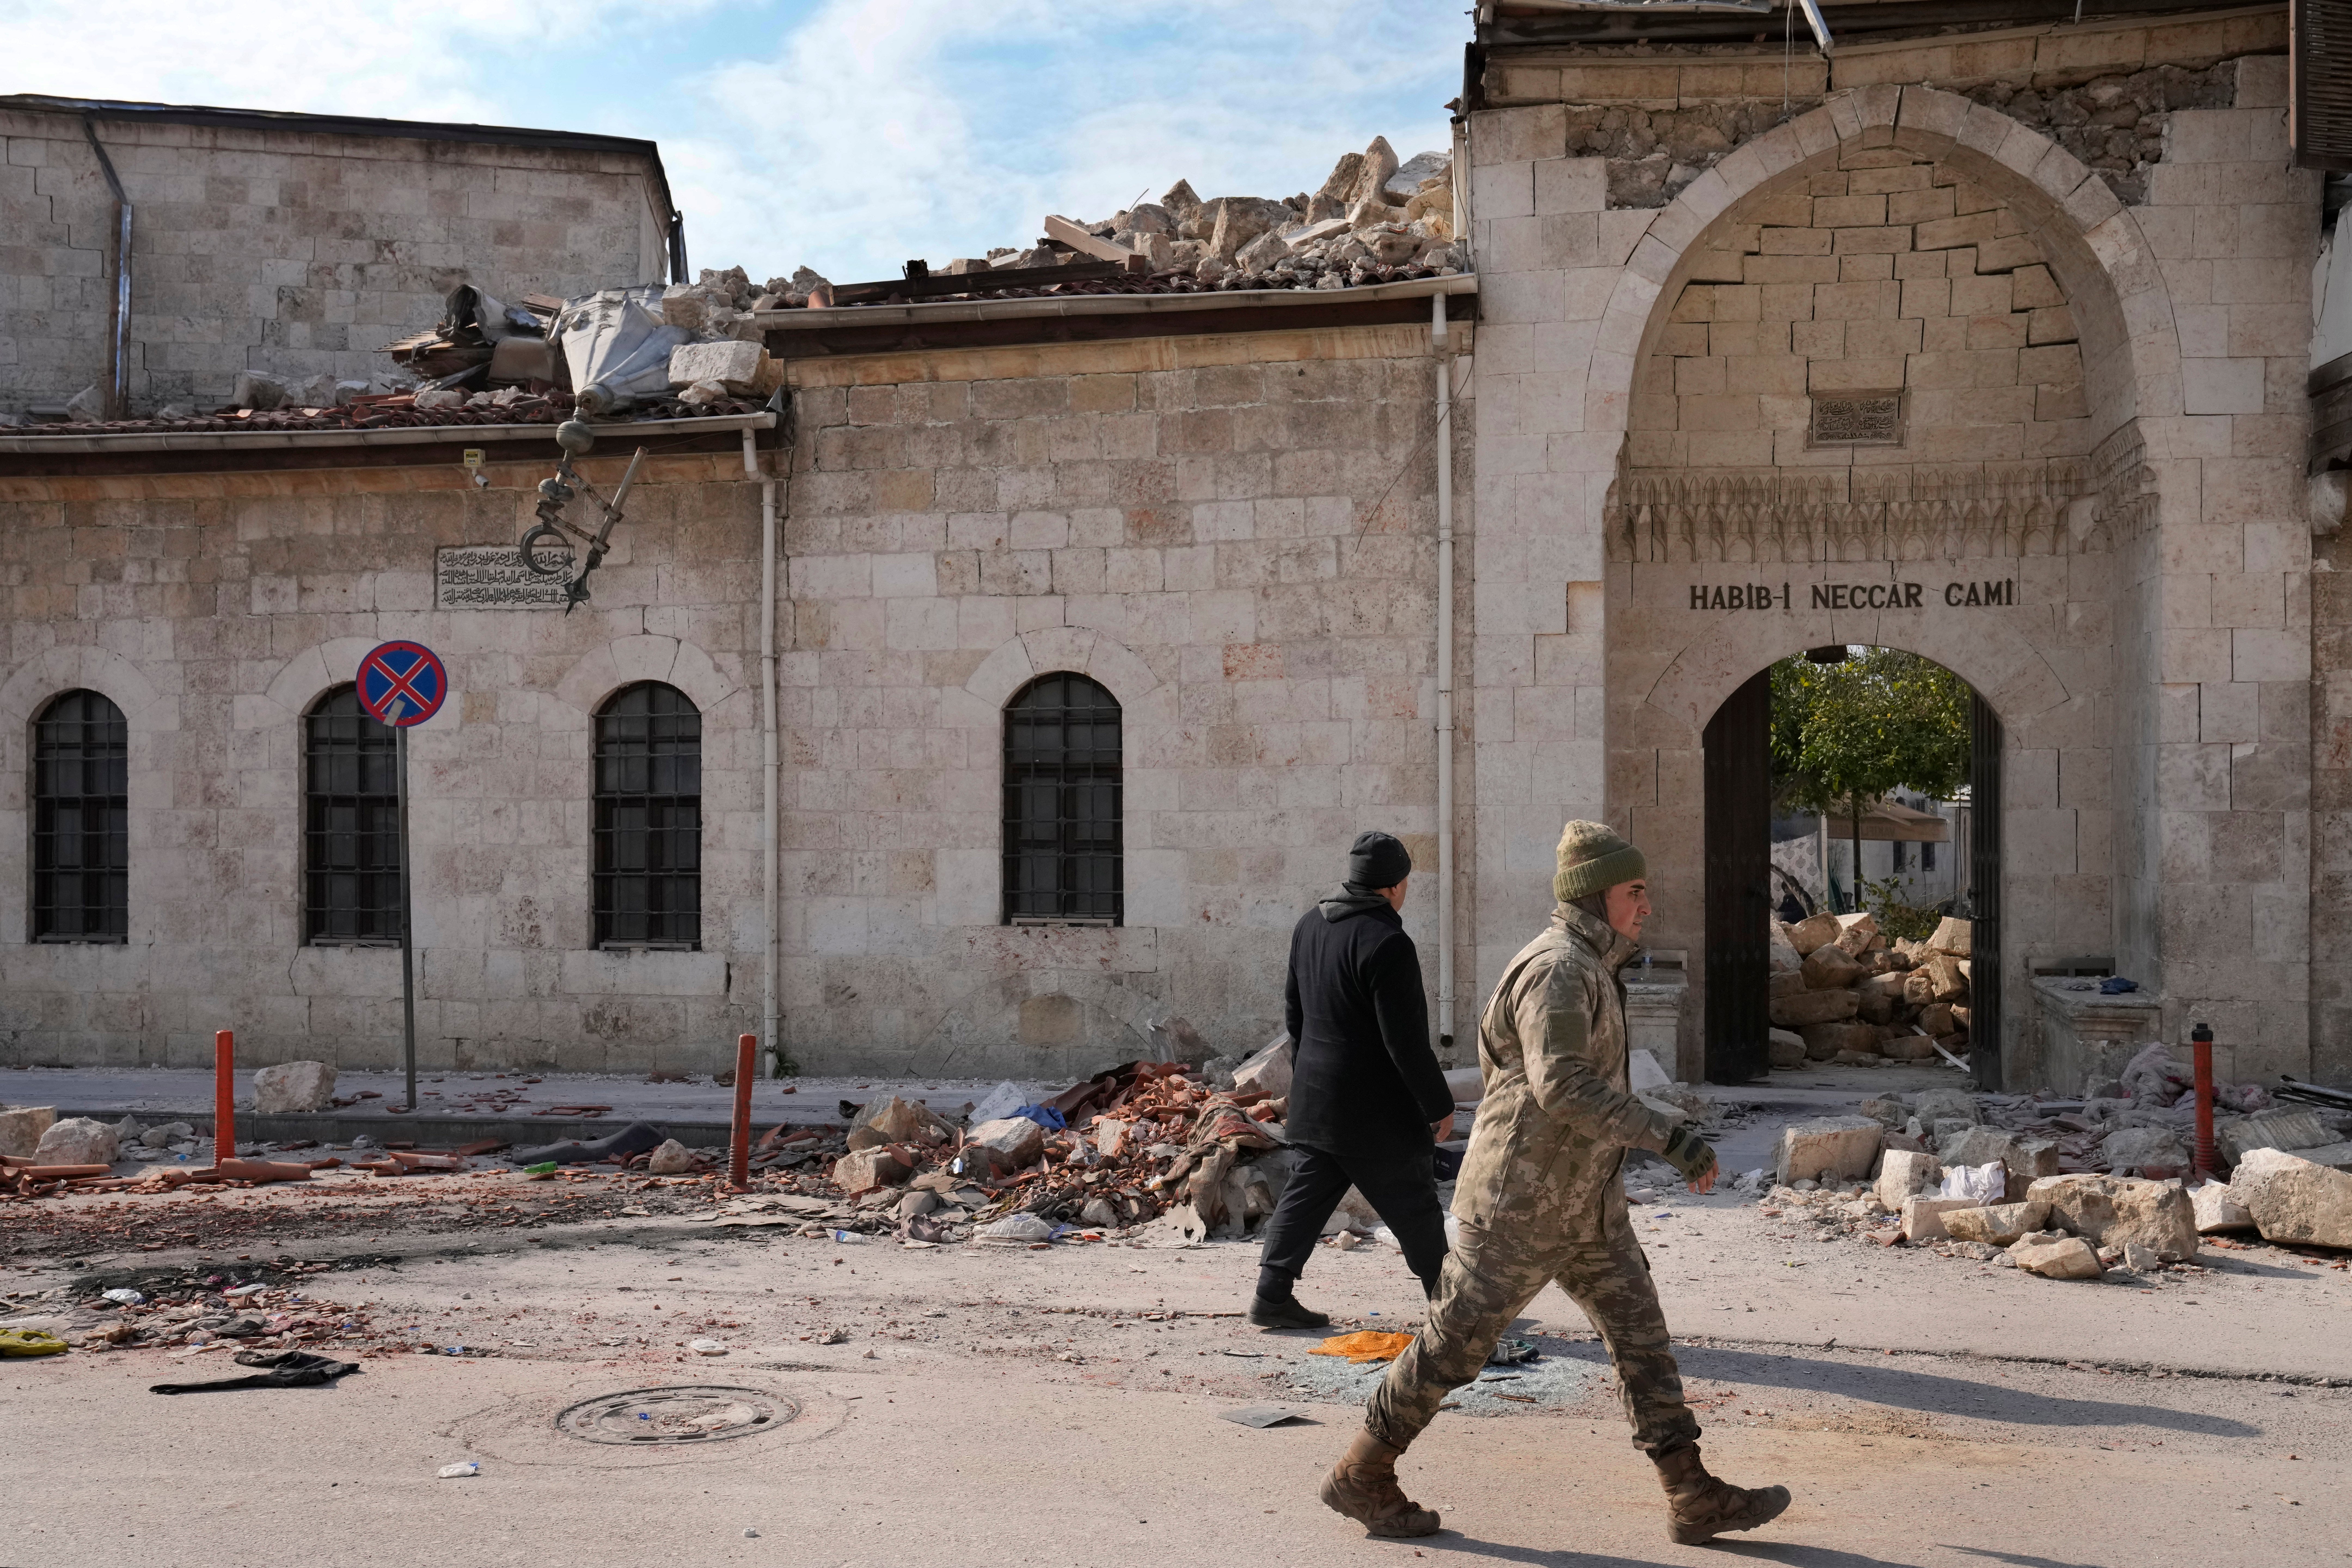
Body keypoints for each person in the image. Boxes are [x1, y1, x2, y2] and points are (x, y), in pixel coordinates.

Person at [1318, 821, 1792, 1546]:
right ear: (1596, 895)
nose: (1648, 907)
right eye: (1635, 892)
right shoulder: (1560, 970)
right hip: (1520, 1206)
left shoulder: (1593, 966)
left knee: (1642, 1339)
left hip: (1585, 1207)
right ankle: (1363, 1473)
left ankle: (1692, 1493)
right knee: (1453, 1349)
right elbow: (1563, 1086)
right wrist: (1667, 1135)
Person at [1249, 830, 1457, 1330]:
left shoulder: (1309, 926)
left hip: (1318, 1102)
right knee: (1415, 1207)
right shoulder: (1389, 943)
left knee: (1306, 1197)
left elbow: (1295, 1018)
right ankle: (1457, 1314)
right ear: (1393, 887)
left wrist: (1309, 1084)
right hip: (1375, 1112)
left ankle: (1271, 1297)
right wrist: (1438, 1105)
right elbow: (1405, 1043)